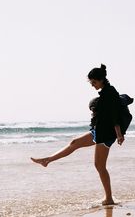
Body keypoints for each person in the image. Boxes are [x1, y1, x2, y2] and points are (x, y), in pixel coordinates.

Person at [31, 64, 125, 206]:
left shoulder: (109, 93)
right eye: (91, 83)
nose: (92, 85)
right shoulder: (106, 92)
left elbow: (114, 116)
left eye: (94, 82)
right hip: (99, 130)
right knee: (75, 143)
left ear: (101, 80)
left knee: (99, 166)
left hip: (106, 134)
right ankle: (47, 160)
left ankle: (109, 198)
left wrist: (119, 134)